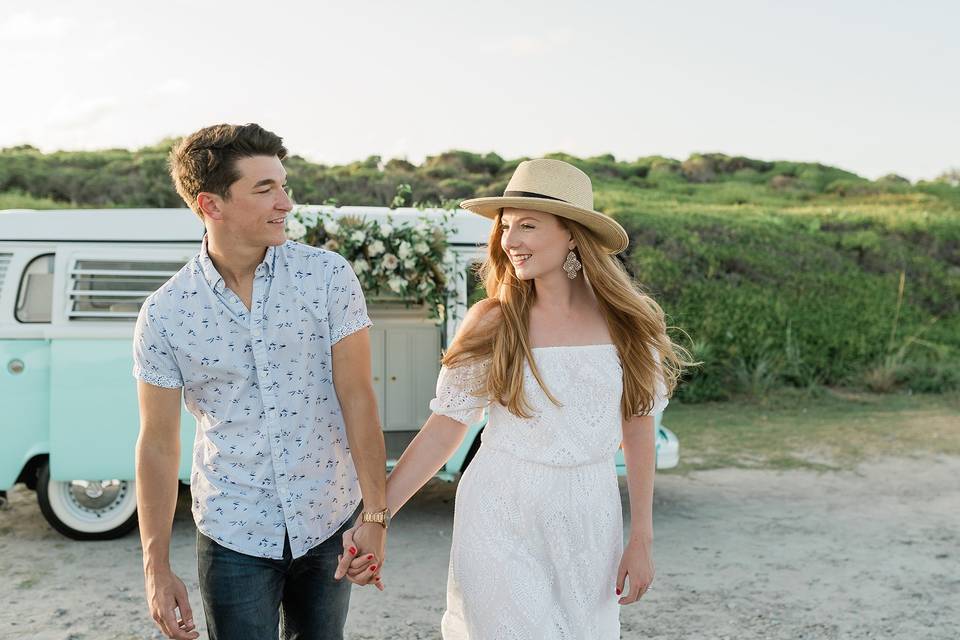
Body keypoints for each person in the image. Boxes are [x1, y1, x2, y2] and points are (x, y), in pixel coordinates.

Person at [337, 158, 693, 637]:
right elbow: (446, 426)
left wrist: (642, 538)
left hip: (590, 515)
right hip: (499, 511)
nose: (510, 240)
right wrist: (377, 518)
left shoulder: (629, 325)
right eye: (505, 227)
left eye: (528, 225)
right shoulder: (494, 321)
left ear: (572, 234)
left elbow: (637, 424)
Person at [134, 123, 387, 640]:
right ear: (211, 205)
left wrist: (377, 518)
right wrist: (156, 568)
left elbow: (358, 399)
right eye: (265, 188)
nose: (286, 203)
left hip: (327, 519)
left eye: (283, 185)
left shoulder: (328, 277)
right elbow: (158, 444)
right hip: (233, 533)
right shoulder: (165, 313)